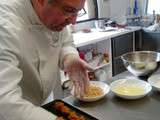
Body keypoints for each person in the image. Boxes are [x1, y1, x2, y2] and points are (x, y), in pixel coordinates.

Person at [0, 0, 92, 120]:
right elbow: (5, 99)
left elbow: (65, 41)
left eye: (77, 12)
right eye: (69, 10)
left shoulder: (56, 17)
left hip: (39, 106)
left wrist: (69, 56)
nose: (73, 21)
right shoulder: (5, 24)